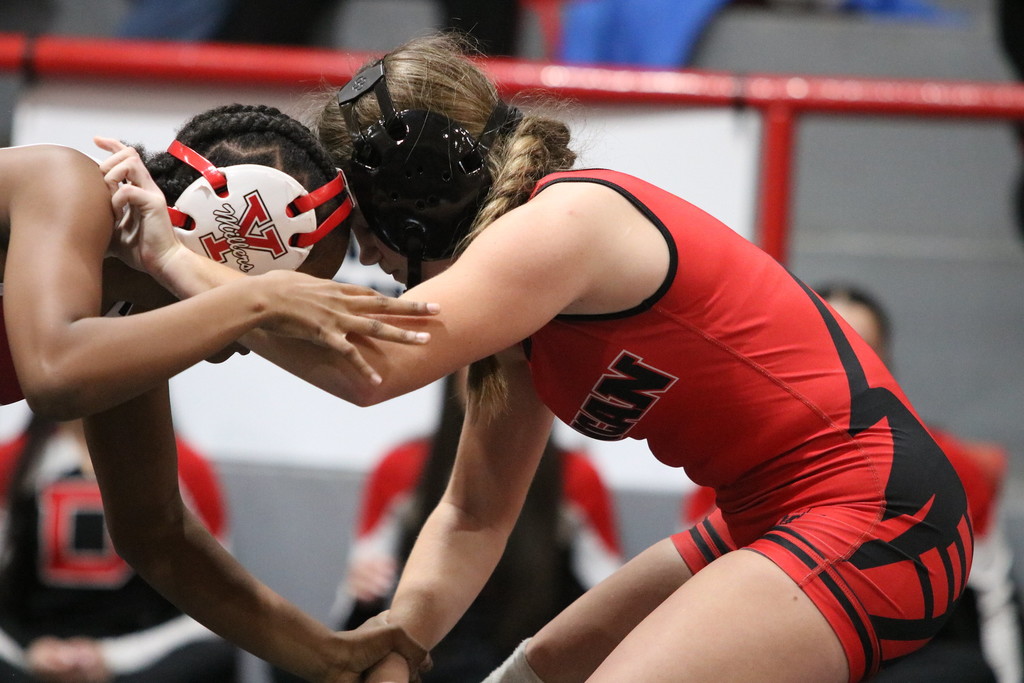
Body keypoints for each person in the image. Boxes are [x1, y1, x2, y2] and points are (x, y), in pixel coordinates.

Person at [128, 32, 973, 682]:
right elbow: (473, 516)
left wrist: (170, 260)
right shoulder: (520, 307)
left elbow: (367, 370)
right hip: (770, 511)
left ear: (413, 191)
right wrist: (396, 645)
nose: (366, 258)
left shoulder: (564, 224)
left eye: (366, 223)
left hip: (874, 510)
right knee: (526, 674)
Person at [1, 103, 436, 680]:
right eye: (283, 311)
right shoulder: (66, 181)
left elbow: (156, 535)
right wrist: (254, 302)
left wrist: (329, 656)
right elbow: (54, 377)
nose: (258, 341)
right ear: (227, 244)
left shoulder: (119, 316)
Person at [285, 369, 621, 683]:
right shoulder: (404, 467)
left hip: (531, 653)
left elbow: (609, 598)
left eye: (518, 362)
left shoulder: (575, 477)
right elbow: (357, 595)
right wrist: (364, 590)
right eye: (484, 362)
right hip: (428, 654)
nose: (501, 377)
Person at [813, 284, 1024, 683]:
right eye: (826, 350)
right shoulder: (731, 463)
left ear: (885, 365)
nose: (843, 369)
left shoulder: (949, 467)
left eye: (860, 351)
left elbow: (993, 602)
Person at [0, 415, 237, 682]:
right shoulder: (11, 461)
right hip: (30, 652)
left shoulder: (186, 466)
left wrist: (111, 658)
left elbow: (216, 609)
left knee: (216, 655)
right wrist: (30, 651)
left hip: (140, 658)